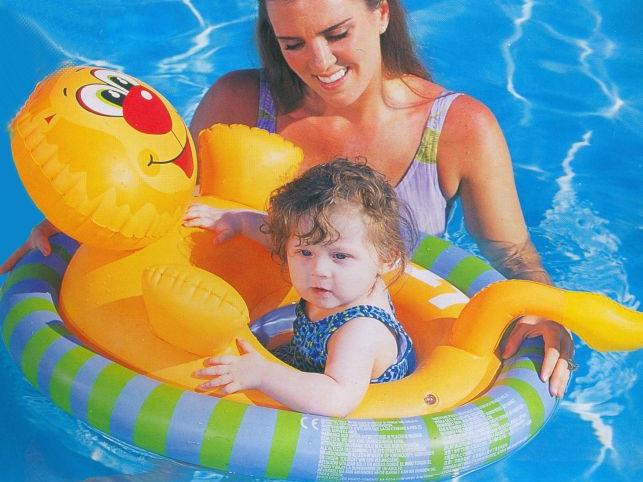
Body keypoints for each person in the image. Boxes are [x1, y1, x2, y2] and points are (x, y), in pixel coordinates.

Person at [1, 0, 574, 396]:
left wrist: (546, 312)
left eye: (336, 33)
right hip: (252, 325)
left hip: (372, 351)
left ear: (380, 12)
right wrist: (84, 228)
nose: (318, 63)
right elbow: (176, 214)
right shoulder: (240, 104)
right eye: (293, 43)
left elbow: (511, 255)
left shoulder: (458, 130)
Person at [192, 159, 416, 417]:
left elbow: (337, 398)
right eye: (306, 253)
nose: (318, 269)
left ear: (386, 259)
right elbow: (279, 234)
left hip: (341, 398)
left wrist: (262, 374)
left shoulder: (360, 330)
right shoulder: (347, 277)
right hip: (310, 362)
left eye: (340, 256)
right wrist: (238, 221)